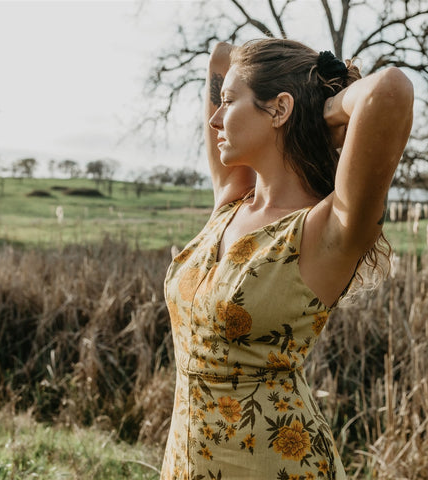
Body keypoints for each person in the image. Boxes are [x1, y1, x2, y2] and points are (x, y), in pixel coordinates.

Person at [161, 38, 413, 480]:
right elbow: (221, 56)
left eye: (228, 103)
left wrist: (320, 111)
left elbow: (388, 90)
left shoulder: (325, 230)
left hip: (277, 465)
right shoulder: (232, 201)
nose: (215, 120)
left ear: (279, 109)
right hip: (186, 463)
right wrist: (280, 91)